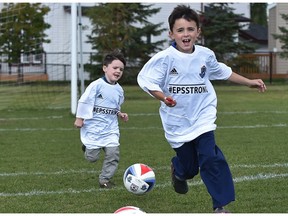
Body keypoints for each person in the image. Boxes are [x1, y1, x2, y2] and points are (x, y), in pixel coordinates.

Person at [137, 5, 266, 213]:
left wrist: (249, 82)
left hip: (203, 117)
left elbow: (223, 72)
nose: (185, 34)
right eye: (180, 30)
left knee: (211, 157)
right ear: (171, 34)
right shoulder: (165, 59)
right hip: (177, 122)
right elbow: (147, 81)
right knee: (189, 169)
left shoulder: (205, 55)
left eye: (190, 29)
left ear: (198, 32)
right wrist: (164, 97)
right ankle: (178, 169)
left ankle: (220, 206)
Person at [74, 50, 129, 189]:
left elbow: (115, 106)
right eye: (115, 68)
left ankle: (104, 180)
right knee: (92, 158)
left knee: (113, 154)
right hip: (94, 127)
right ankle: (87, 147)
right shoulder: (96, 85)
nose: (118, 71)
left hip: (110, 129)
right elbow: (84, 101)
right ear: (105, 68)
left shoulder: (119, 90)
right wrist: (79, 118)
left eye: (121, 69)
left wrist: (120, 114)